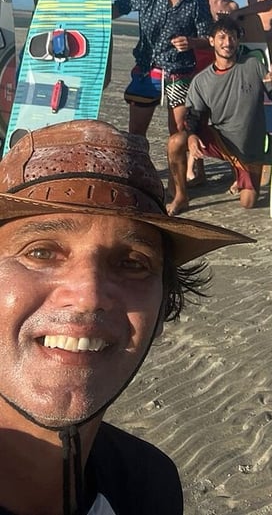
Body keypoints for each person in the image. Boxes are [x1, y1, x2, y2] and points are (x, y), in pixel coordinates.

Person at [0, 119, 249, 515]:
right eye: (42, 252)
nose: (89, 296)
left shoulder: (148, 484)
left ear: (164, 303)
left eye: (132, 263)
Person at [166, 16, 272, 215]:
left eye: (232, 37)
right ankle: (181, 196)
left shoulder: (253, 65)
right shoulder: (201, 80)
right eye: (221, 37)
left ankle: (239, 174)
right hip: (220, 140)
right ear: (212, 41)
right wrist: (193, 135)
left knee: (248, 203)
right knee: (176, 141)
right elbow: (194, 116)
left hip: (248, 148)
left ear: (238, 41)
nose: (227, 43)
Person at [113, 0, 212, 137]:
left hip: (180, 74)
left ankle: (180, 169)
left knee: (179, 136)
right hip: (147, 72)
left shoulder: (197, 0)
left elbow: (209, 39)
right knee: (136, 135)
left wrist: (191, 42)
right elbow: (113, 11)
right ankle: (140, 168)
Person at [187, 0, 242, 185]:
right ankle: (194, 168)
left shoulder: (232, 7)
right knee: (197, 113)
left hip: (223, 62)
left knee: (223, 114)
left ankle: (236, 167)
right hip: (199, 61)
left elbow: (235, 35)